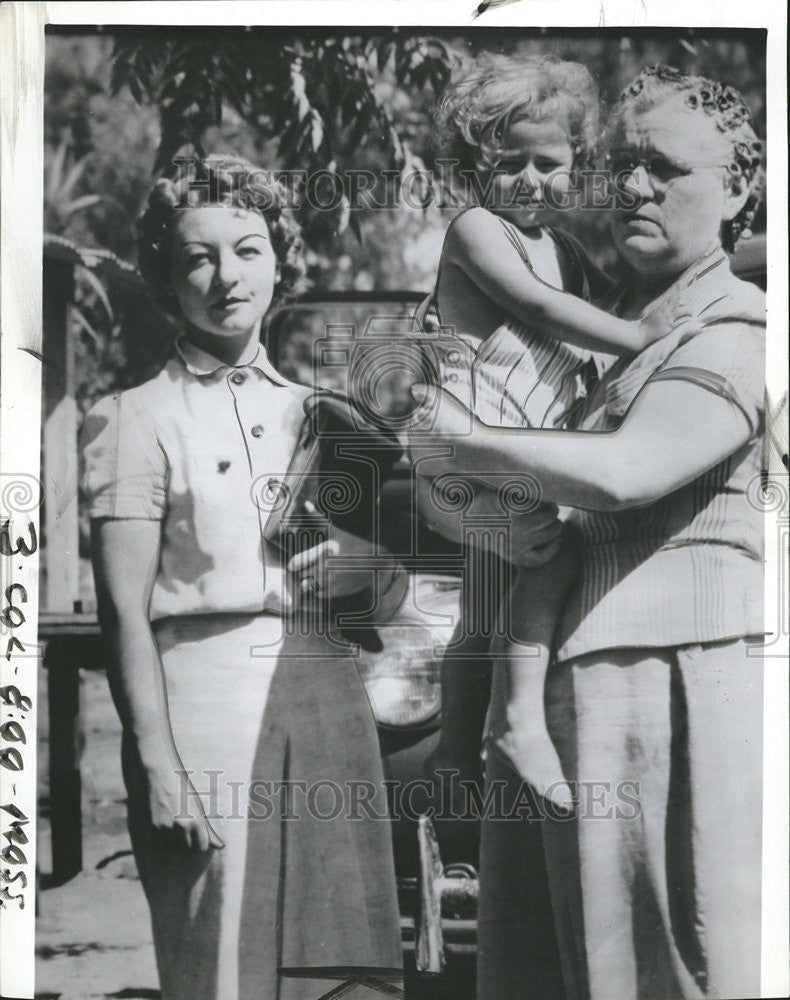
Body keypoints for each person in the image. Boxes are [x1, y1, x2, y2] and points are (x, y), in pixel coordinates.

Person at [412, 65, 766, 1000]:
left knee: (664, 957)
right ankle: (475, 740)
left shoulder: (734, 326)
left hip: (666, 674)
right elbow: (538, 327)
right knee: (561, 967)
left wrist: (464, 446)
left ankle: (488, 730)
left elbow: (619, 474)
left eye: (666, 168)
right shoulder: (624, 316)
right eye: (625, 167)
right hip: (573, 678)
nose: (634, 188)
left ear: (739, 186)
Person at [82, 155, 402, 1000]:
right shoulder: (132, 417)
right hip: (205, 706)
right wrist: (158, 764)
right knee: (225, 961)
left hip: (331, 694)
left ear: (278, 261)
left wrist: (364, 570)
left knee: (344, 963)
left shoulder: (326, 415)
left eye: (248, 249)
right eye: (197, 257)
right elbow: (122, 614)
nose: (227, 276)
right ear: (165, 276)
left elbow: (391, 589)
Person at [417, 53, 676, 813]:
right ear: (473, 167)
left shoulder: (562, 248)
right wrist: (640, 338)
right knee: (534, 565)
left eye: (550, 162)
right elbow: (537, 307)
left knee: (498, 597)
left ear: (576, 164)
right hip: (468, 447)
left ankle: (475, 748)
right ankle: (493, 733)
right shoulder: (475, 230)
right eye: (509, 163)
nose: (531, 180)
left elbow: (608, 300)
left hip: (520, 454)